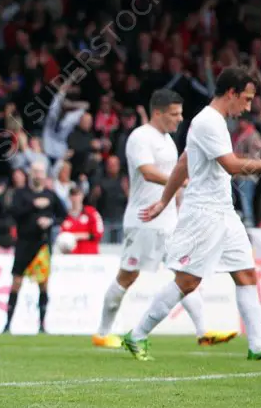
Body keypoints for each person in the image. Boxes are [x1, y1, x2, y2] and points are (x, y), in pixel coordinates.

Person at [125, 68, 261, 362]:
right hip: (203, 213)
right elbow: (232, 166)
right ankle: (137, 334)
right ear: (231, 93)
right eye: (245, 100)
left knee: (246, 273)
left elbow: (184, 160)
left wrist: (164, 201)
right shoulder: (208, 121)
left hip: (223, 211)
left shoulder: (211, 122)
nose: (246, 108)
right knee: (188, 281)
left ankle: (257, 346)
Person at [94, 89, 237, 349]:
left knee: (185, 273)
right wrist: (182, 180)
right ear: (157, 112)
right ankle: (103, 333)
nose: (180, 118)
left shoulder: (168, 141)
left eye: (181, 113)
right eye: (174, 113)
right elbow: (148, 173)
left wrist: (181, 202)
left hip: (169, 220)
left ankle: (203, 331)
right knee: (127, 277)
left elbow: (173, 181)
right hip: (144, 220)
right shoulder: (140, 137)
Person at [3, 161, 66, 334]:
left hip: (42, 245)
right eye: (35, 171)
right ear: (30, 173)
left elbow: (63, 214)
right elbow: (13, 212)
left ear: (45, 175)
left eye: (41, 172)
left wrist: (51, 221)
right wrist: (33, 205)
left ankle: (42, 325)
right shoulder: (21, 194)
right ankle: (7, 325)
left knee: (43, 284)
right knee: (16, 282)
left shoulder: (50, 194)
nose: (38, 175)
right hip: (24, 243)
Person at [59, 186, 103, 254]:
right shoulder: (65, 217)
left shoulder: (92, 213)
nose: (75, 198)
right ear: (69, 197)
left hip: (89, 256)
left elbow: (98, 234)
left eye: (77, 194)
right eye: (73, 195)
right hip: (72, 257)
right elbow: (63, 238)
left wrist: (76, 236)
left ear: (82, 196)